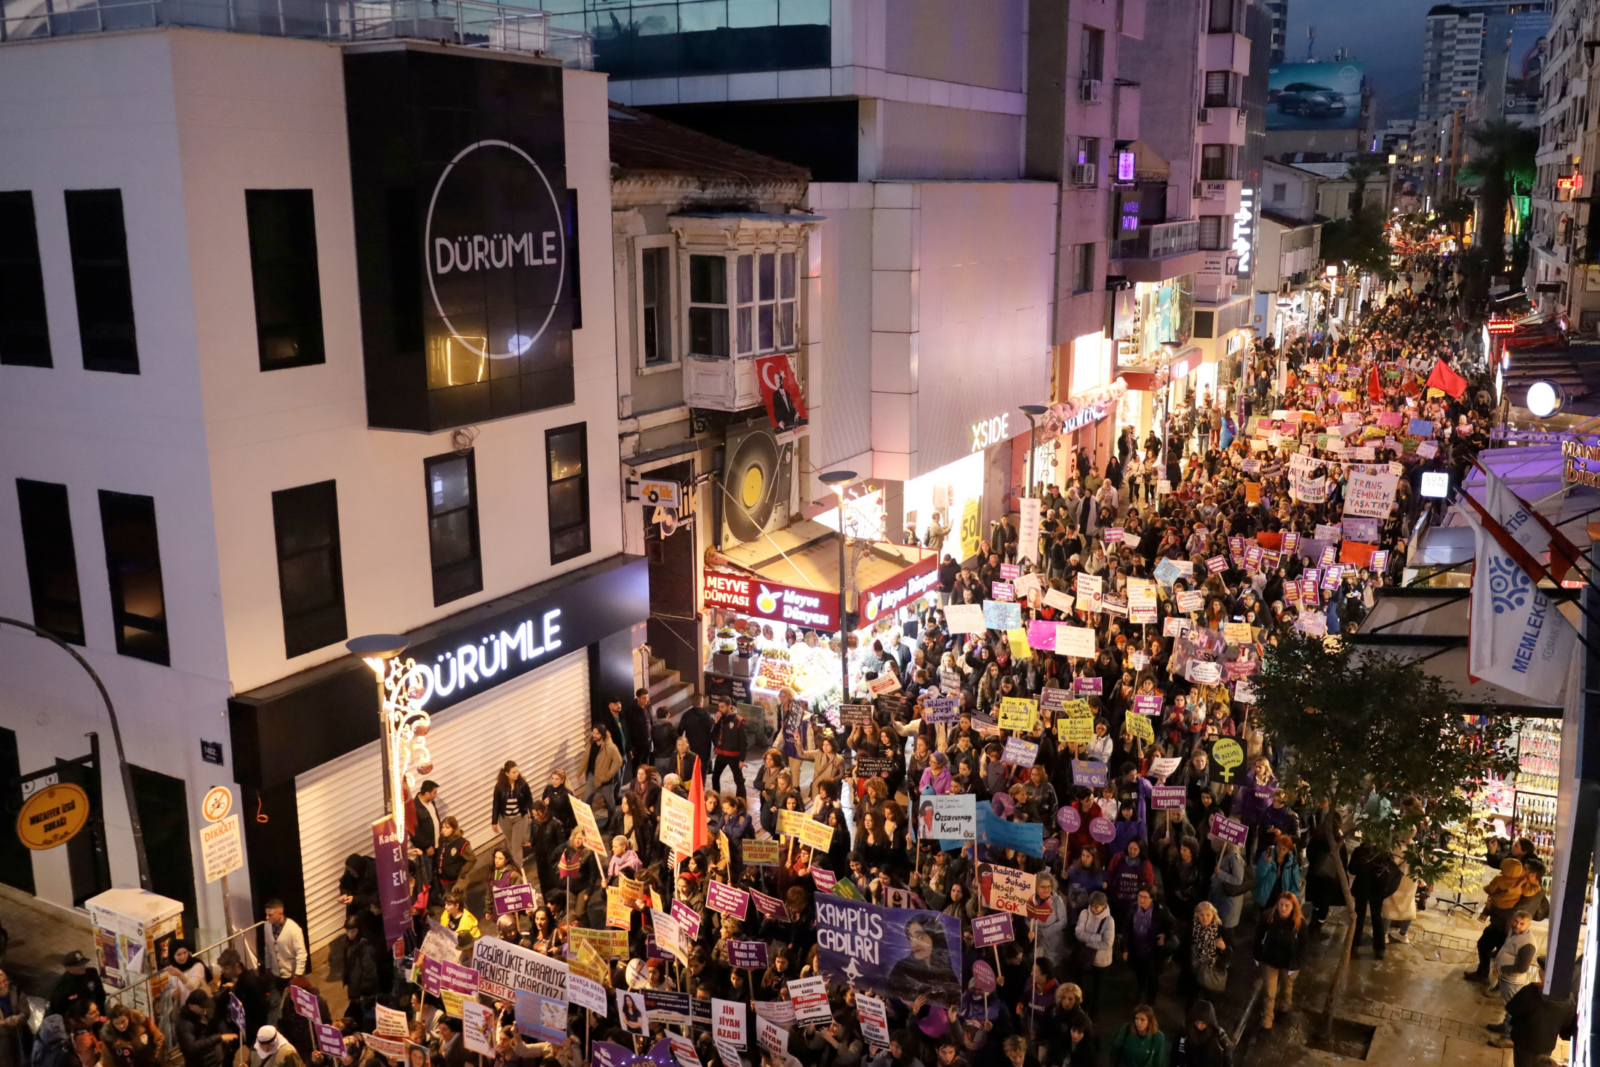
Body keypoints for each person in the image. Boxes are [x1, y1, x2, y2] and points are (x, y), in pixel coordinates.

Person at [1253, 893, 1308, 1029]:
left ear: (1293, 907)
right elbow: (1258, 937)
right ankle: (1267, 1021)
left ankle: (1283, 1009)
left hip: (1289, 964)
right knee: (1269, 993)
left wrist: (1298, 963)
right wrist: (1257, 955)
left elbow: (1304, 945)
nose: (1283, 908)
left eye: (1287, 906)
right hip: (1270, 961)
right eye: (1281, 904)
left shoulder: (1299, 923)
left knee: (1286, 989)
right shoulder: (1268, 917)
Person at [174, 992, 237, 1067]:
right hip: (199, 1063)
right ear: (191, 1006)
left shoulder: (200, 1013)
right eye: (202, 1007)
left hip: (212, 1058)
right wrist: (219, 1038)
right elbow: (191, 1046)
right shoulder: (184, 1024)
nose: (205, 1009)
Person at [490, 762, 533, 868]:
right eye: (513, 772)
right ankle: (511, 868)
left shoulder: (522, 784)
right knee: (510, 844)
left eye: (517, 771)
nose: (516, 774)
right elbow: (496, 804)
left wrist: (532, 815)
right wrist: (494, 821)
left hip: (520, 817)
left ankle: (518, 870)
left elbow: (529, 801)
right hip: (505, 819)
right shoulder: (499, 787)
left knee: (516, 845)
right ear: (507, 773)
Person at [260, 902, 307, 991]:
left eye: (271, 915)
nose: (267, 918)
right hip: (275, 974)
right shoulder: (267, 926)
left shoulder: (294, 929)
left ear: (280, 914)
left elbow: (301, 953)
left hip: (291, 975)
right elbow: (267, 948)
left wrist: (298, 975)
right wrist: (268, 967)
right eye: (266, 914)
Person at [1169, 1001, 1231, 1067]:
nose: (1199, 1026)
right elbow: (1175, 1054)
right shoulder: (1185, 1033)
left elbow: (1228, 1059)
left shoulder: (1219, 1037)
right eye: (1197, 1022)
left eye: (1203, 1023)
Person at [584, 725, 624, 824]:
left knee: (610, 802)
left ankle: (612, 823)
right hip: (592, 776)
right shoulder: (591, 743)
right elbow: (587, 758)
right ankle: (587, 823)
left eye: (597, 733)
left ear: (602, 734)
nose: (594, 735)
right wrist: (581, 771)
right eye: (593, 732)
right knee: (587, 800)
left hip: (605, 780)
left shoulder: (610, 747)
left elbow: (618, 761)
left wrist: (608, 775)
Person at [47, 953, 104, 1020]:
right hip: (77, 1021)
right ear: (69, 968)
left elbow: (100, 994)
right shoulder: (62, 986)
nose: (84, 967)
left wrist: (102, 1013)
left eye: (84, 963)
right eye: (79, 965)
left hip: (95, 1014)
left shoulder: (92, 973)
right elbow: (56, 1008)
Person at [710, 699, 748, 799]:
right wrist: (716, 722)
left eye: (722, 707)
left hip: (733, 756)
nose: (720, 709)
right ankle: (716, 798)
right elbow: (712, 735)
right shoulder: (720, 719)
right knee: (715, 777)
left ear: (729, 707)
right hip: (721, 755)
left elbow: (744, 741)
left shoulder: (738, 720)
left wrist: (742, 759)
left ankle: (741, 802)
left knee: (738, 780)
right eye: (719, 707)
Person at [0, 970, 32, 1067]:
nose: (3, 985)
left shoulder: (16, 992)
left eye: (5, 981)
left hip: (18, 1035)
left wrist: (6, 1022)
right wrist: (17, 1019)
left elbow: (26, 1013)